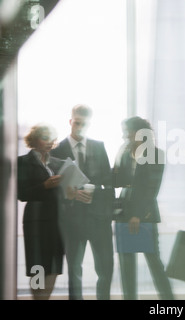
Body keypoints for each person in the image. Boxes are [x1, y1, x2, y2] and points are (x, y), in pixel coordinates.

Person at [50, 104, 114, 300]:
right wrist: (71, 194)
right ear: (70, 121)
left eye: (84, 124)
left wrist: (95, 193)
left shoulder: (99, 146)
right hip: (71, 220)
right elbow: (52, 188)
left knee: (105, 269)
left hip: (99, 219)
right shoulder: (57, 150)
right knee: (74, 271)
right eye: (77, 123)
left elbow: (109, 183)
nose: (79, 127)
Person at [112, 116, 174, 300]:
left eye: (127, 131)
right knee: (126, 265)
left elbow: (151, 189)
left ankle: (169, 302)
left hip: (145, 214)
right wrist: (115, 164)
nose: (125, 135)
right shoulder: (124, 152)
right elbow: (117, 181)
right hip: (124, 213)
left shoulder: (156, 154)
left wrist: (137, 215)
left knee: (154, 263)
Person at [17, 123, 64, 299]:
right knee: (37, 266)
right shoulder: (22, 162)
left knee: (53, 265)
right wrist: (44, 185)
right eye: (45, 138)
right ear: (34, 139)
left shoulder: (58, 163)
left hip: (57, 220)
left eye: (52, 139)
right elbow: (21, 193)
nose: (49, 142)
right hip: (36, 220)